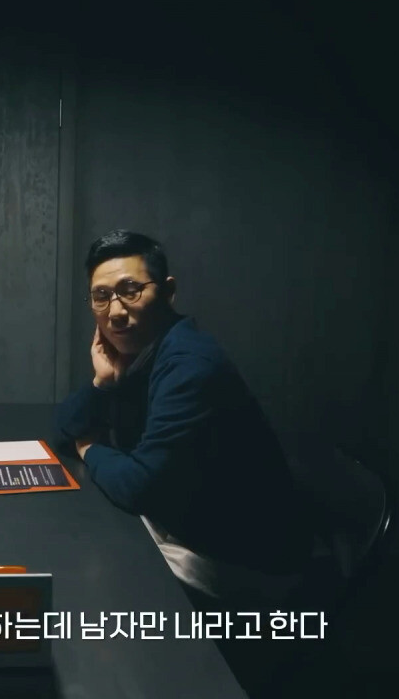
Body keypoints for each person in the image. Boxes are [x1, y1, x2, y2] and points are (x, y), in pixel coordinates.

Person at [56, 230, 314, 603]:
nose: (115, 312)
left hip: (241, 563)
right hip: (182, 524)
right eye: (101, 296)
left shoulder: (190, 365)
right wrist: (102, 383)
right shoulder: (140, 352)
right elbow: (64, 426)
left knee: (85, 578)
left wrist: (90, 449)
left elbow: (138, 486)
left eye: (131, 290)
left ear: (167, 292)